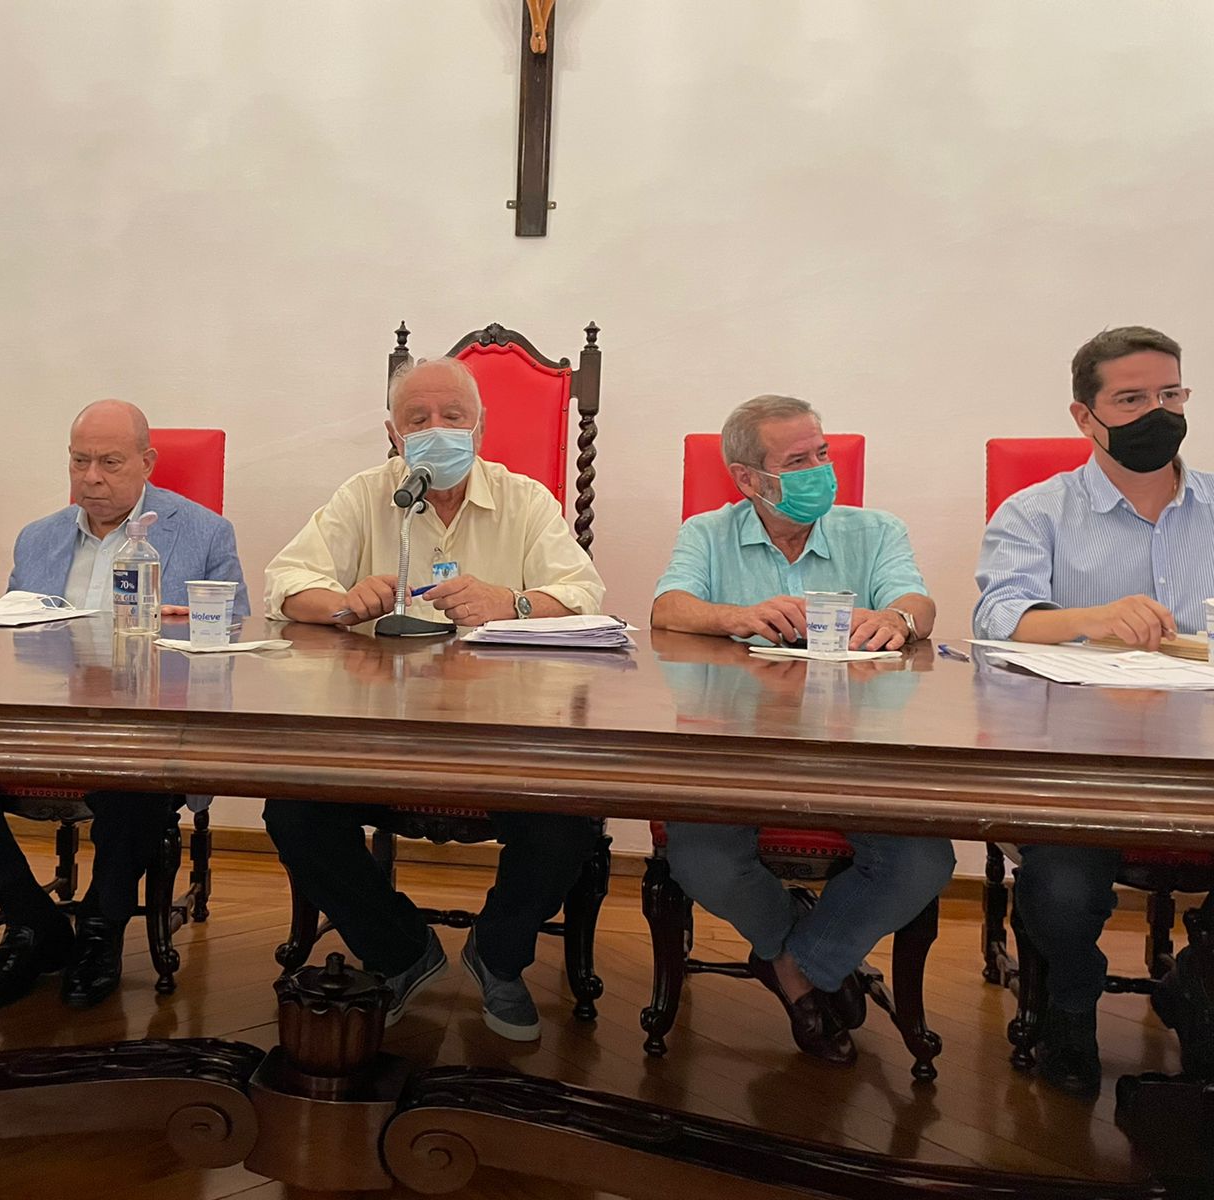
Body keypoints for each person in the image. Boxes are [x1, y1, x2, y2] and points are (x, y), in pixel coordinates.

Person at [262, 356, 605, 1042]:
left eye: (453, 416)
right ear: (394, 433)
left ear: (481, 426)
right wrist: (343, 602)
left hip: (502, 735)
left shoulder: (525, 499)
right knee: (293, 811)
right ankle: (399, 950)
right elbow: (286, 583)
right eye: (418, 419)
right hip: (378, 733)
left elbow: (584, 596)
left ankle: (498, 956)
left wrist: (511, 602)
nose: (437, 429)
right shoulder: (364, 495)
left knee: (570, 817)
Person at [0, 399, 248, 1012]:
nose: (91, 477)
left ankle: (101, 925)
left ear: (147, 462)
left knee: (139, 772)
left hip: (145, 722)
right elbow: (17, 642)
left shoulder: (203, 532)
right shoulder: (38, 536)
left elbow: (235, 636)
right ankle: (30, 919)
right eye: (79, 461)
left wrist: (194, 623)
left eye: (109, 462)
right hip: (46, 719)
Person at [650, 394, 953, 1065]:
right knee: (701, 857)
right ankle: (811, 962)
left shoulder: (875, 530)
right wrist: (735, 616)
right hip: (736, 750)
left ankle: (797, 966)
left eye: (822, 453)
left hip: (856, 752)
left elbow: (917, 601)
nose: (820, 468)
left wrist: (897, 620)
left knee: (923, 861)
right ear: (748, 479)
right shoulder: (708, 532)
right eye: (798, 461)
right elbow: (668, 609)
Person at [974, 325, 1210, 1097]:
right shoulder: (1036, 512)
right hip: (1080, 762)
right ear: (1085, 416)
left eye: (1170, 395)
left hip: (1200, 761)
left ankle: (1198, 983)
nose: (1158, 413)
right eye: (1132, 399)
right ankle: (1072, 1005)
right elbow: (996, 619)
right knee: (1065, 889)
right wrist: (1093, 618)